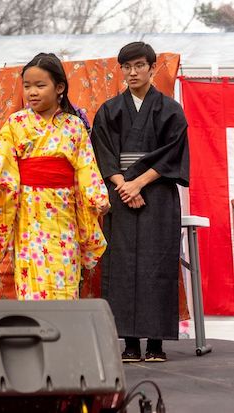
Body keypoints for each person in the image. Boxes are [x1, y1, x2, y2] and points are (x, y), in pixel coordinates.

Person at [0, 53, 110, 301]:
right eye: (27, 86)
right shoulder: (16, 123)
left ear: (59, 88)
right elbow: (0, 158)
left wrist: (97, 196)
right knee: (32, 283)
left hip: (64, 215)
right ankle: (35, 338)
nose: (32, 92)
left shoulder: (74, 126)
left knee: (66, 279)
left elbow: (86, 167)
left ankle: (63, 338)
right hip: (29, 215)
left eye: (40, 85)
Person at [90, 42, 189, 363]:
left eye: (138, 66)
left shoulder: (170, 109)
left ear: (152, 67)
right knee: (122, 265)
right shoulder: (110, 110)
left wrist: (138, 183)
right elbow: (103, 152)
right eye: (126, 67)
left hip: (157, 193)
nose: (132, 72)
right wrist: (122, 184)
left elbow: (174, 152)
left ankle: (156, 343)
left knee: (157, 264)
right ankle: (130, 342)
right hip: (121, 194)